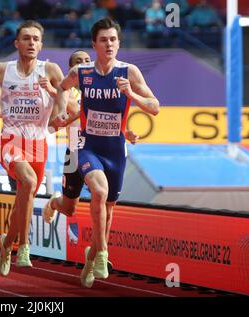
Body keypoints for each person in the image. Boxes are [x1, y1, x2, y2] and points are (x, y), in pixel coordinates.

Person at [52, 18, 159, 288]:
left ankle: (92, 257)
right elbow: (62, 88)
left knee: (109, 210)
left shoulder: (130, 72)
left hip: (115, 151)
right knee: (98, 192)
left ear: (118, 43)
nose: (109, 44)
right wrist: (61, 112)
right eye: (103, 40)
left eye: (113, 39)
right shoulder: (83, 72)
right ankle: (101, 253)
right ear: (94, 44)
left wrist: (132, 95)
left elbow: (155, 106)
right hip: (87, 145)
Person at [0, 20, 64, 276]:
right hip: (10, 140)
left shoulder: (51, 70)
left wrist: (56, 97)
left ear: (41, 44)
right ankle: (24, 245)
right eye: (26, 38)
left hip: (39, 142)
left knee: (23, 200)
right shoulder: (2, 69)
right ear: (16, 43)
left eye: (36, 39)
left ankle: (6, 245)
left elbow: (65, 96)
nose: (31, 42)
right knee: (30, 181)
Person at [43, 50, 139, 271]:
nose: (84, 65)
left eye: (87, 61)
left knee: (104, 199)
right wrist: (54, 95)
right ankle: (54, 202)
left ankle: (96, 256)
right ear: (72, 70)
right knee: (69, 209)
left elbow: (111, 119)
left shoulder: (99, 86)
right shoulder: (68, 92)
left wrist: (128, 132)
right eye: (78, 63)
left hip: (101, 148)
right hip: (76, 149)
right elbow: (68, 113)